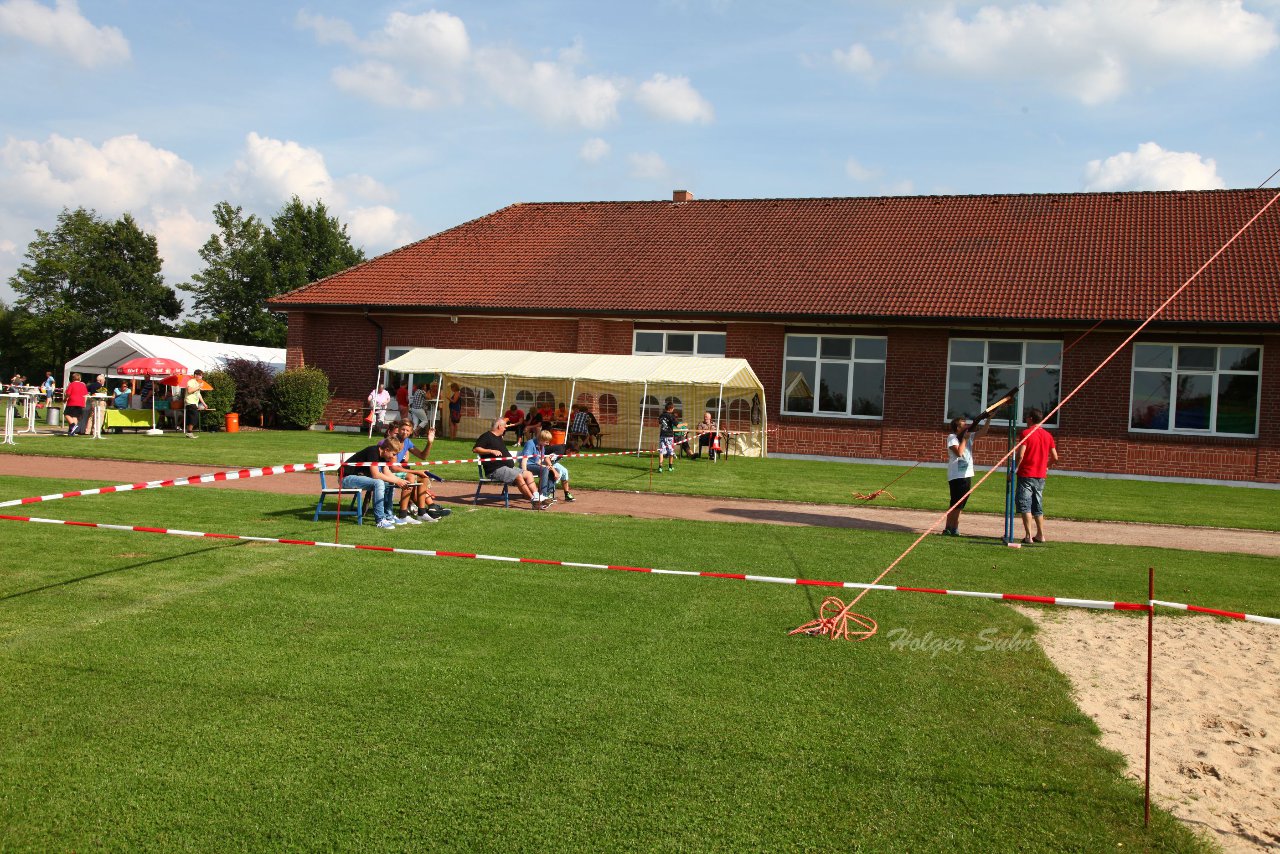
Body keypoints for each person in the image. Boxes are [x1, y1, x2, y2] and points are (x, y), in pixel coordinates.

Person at [473, 417, 544, 510]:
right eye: (504, 427)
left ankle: (537, 496)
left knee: (528, 474)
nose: (505, 428)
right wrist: (491, 451)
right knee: (518, 476)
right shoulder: (486, 436)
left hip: (508, 467)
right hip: (495, 469)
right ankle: (534, 501)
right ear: (499, 426)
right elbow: (475, 449)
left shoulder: (499, 437)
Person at [389, 420, 452, 521]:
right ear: (399, 429)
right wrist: (416, 471)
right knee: (411, 476)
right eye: (403, 429)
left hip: (397, 471)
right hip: (387, 473)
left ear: (411, 432)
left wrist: (430, 442)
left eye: (407, 430)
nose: (405, 432)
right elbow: (393, 468)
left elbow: (423, 456)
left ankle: (421, 513)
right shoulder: (393, 441)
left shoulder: (407, 442)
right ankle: (403, 515)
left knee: (424, 475)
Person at [339, 437, 404, 529]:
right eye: (393, 454)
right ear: (387, 450)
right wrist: (397, 480)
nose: (393, 457)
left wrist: (401, 481)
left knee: (388, 483)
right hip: (346, 478)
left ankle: (388, 516)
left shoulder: (383, 456)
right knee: (379, 483)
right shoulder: (372, 452)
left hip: (358, 477)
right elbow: (376, 475)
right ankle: (380, 520)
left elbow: (387, 473)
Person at [1016, 408, 1059, 544]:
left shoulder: (1026, 434)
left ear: (1030, 419)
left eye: (1026, 417)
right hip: (1040, 475)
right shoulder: (1048, 435)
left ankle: (1028, 536)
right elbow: (1055, 457)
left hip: (1026, 474)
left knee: (1025, 504)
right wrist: (1046, 466)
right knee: (1037, 505)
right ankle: (1040, 534)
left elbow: (1021, 454)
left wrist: (1014, 468)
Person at [943, 414, 990, 536]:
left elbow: (984, 432)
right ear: (957, 428)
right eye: (963, 424)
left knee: (961, 503)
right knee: (955, 503)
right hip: (956, 475)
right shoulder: (952, 437)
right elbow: (959, 453)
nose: (966, 425)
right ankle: (950, 527)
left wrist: (989, 419)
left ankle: (953, 527)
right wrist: (964, 439)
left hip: (967, 474)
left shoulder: (968, 436)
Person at [522, 428, 561, 503]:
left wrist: (544, 466)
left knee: (555, 470)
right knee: (545, 469)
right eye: (547, 442)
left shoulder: (542, 447)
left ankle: (548, 494)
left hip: (535, 466)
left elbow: (539, 461)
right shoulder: (530, 444)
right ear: (541, 439)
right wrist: (524, 472)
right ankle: (543, 495)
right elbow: (524, 460)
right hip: (528, 466)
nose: (548, 444)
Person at [184, 370, 206, 438]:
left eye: (202, 376)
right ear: (196, 375)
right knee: (194, 418)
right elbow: (189, 390)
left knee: (192, 418)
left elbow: (199, 395)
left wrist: (204, 404)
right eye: (200, 375)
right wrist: (199, 387)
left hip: (194, 403)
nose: (201, 377)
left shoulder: (197, 383)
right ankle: (189, 433)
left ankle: (189, 433)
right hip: (190, 402)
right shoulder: (191, 382)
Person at [657, 402, 677, 473]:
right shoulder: (671, 416)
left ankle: (660, 467)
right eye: (673, 408)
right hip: (669, 436)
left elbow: (659, 422)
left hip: (662, 435)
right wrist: (684, 424)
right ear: (670, 408)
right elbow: (677, 425)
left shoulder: (661, 415)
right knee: (671, 451)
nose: (674, 409)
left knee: (661, 451)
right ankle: (670, 467)